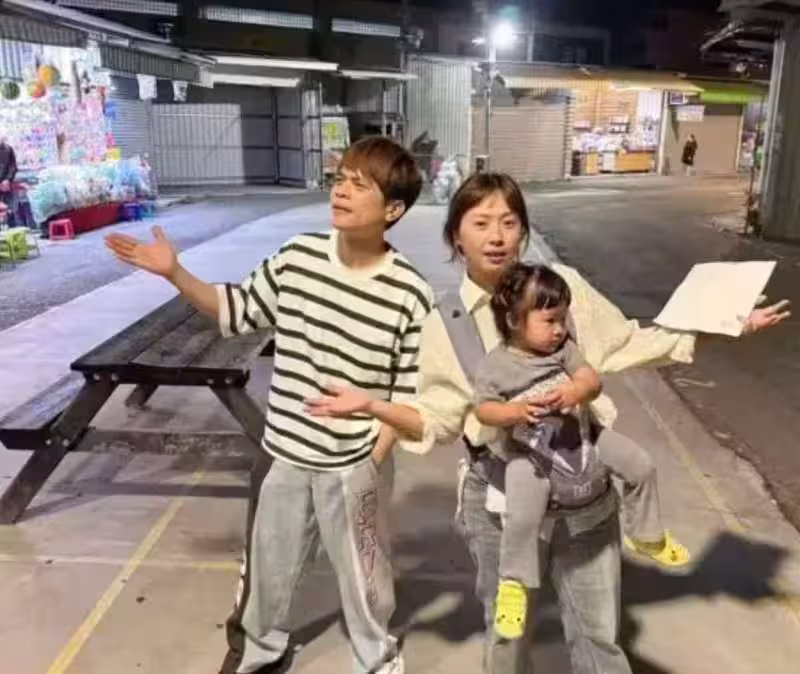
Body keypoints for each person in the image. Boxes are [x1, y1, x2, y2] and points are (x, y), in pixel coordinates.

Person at [307, 172, 790, 673]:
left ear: (523, 229)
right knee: (507, 637)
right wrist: (374, 406)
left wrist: (723, 326)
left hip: (583, 487)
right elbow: (438, 419)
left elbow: (628, 342)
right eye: (481, 223)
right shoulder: (445, 323)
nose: (497, 236)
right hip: (501, 500)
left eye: (509, 222)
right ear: (456, 237)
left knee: (599, 635)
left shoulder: (563, 288)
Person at [106, 137, 435, 674]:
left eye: (360, 185)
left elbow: (405, 392)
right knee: (267, 569)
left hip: (354, 461)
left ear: (393, 210)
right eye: (341, 179)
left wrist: (372, 460)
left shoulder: (410, 293)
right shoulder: (298, 257)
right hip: (283, 452)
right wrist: (175, 273)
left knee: (366, 577)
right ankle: (260, 654)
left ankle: (377, 659)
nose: (341, 191)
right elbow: (235, 310)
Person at [473, 261, 688, 641]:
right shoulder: (496, 365)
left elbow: (591, 380)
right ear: (513, 320)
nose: (559, 329)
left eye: (562, 319)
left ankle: (645, 534)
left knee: (640, 465)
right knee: (522, 515)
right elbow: (484, 410)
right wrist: (515, 412)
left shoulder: (564, 350)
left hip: (585, 437)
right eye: (549, 320)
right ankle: (514, 582)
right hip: (530, 456)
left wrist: (577, 390)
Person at [0, 133, 18, 227]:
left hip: (6, 184)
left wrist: (8, 179)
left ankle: (12, 229)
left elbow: (13, 166)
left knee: (9, 209)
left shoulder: (8, 149)